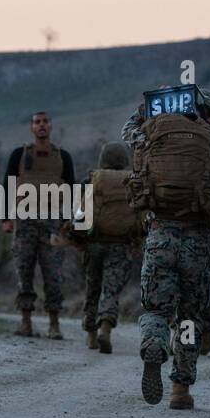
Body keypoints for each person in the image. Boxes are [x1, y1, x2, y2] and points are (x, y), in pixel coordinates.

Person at [125, 89, 210, 409]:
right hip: (199, 246)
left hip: (159, 238)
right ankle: (180, 390)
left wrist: (145, 111)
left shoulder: (150, 139)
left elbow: (127, 131)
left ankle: (154, 345)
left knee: (156, 309)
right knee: (189, 318)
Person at [3, 112, 75, 338]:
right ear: (31, 128)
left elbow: (72, 189)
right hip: (25, 222)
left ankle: (54, 324)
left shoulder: (63, 156)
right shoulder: (19, 154)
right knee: (23, 272)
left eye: (45, 122)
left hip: (53, 222)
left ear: (51, 126)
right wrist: (6, 217)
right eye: (37, 122)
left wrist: (71, 222)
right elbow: (8, 184)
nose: (41, 125)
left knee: (53, 275)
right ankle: (25, 322)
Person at [72, 142, 139, 353]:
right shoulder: (132, 181)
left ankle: (91, 335)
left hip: (94, 244)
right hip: (120, 245)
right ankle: (105, 329)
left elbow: (78, 212)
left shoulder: (92, 178)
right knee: (110, 290)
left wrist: (78, 238)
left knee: (93, 288)